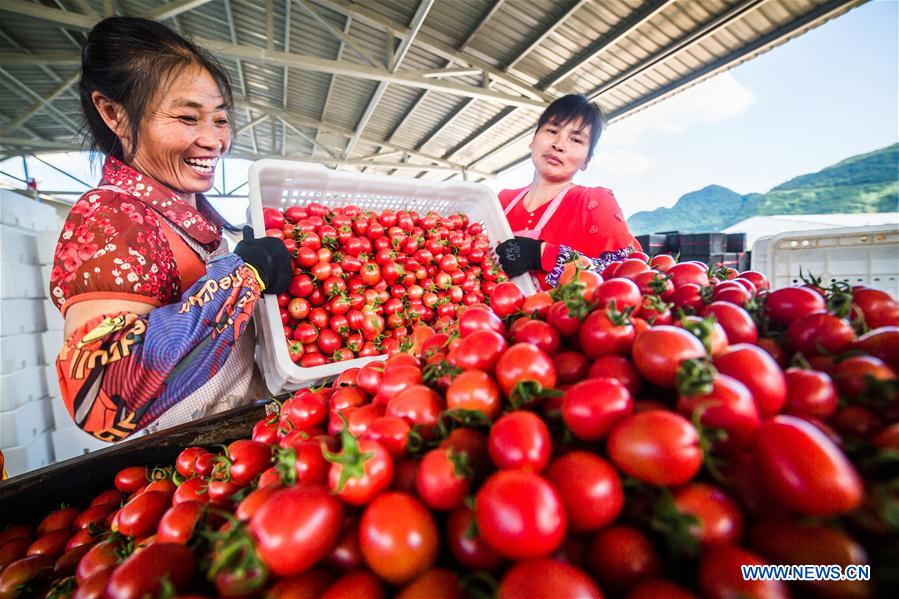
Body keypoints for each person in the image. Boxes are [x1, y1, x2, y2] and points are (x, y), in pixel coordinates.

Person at [49, 17, 291, 442]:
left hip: (244, 435)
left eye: (219, 119)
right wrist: (243, 278)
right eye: (187, 118)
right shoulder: (111, 217)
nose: (214, 140)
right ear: (114, 114)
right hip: (188, 462)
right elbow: (100, 395)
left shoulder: (193, 215)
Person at [495, 94, 641, 289]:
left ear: (586, 160)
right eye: (552, 130)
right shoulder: (501, 201)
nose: (559, 144)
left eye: (576, 140)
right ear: (532, 140)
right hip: (486, 318)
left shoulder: (595, 202)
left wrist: (543, 255)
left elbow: (628, 274)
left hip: (555, 318)